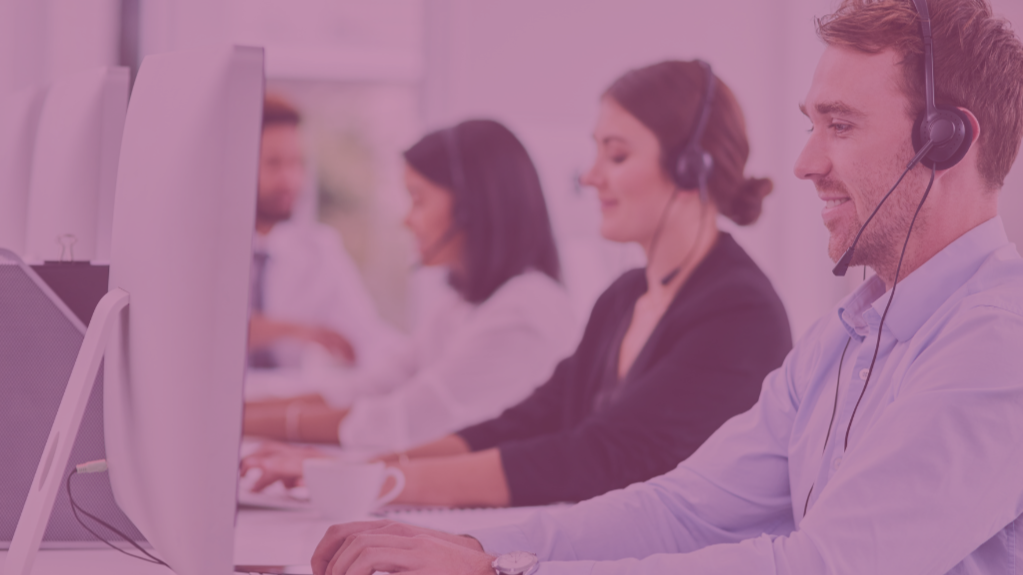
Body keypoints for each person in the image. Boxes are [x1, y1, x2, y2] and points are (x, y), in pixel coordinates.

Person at [307, 0, 1023, 573]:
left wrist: (501, 569)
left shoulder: (998, 342)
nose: (804, 163)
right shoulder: (845, 340)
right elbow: (680, 509)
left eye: (839, 125)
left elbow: (823, 566)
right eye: (812, 125)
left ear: (945, 142)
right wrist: (472, 547)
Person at [242, 60, 793, 507]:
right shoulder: (625, 296)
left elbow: (594, 456)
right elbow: (528, 421)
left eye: (617, 154)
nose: (590, 175)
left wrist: (378, 480)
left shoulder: (739, 313)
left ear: (692, 169)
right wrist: (355, 471)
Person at [243, 119, 578, 451]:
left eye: (418, 200)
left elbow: (402, 420)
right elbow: (373, 386)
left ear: (470, 206)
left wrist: (245, 423)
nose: (406, 219)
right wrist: (241, 412)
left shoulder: (524, 310)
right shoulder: (461, 305)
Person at [248, 96, 396, 369]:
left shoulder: (320, 249)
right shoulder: (201, 250)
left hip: (288, 395)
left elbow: (367, 336)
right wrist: (291, 330)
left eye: (297, 163)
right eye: (273, 163)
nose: (289, 179)